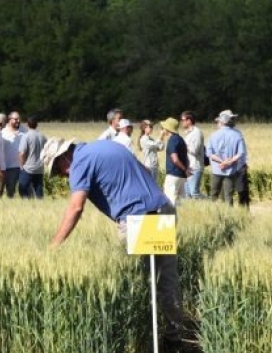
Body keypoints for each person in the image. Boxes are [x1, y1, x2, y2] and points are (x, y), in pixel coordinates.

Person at [48, 139, 186, 351]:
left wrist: (54, 245)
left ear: (63, 157)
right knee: (166, 277)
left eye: (58, 170)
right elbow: (146, 171)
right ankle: (174, 338)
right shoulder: (107, 146)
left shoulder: (79, 163)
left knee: (135, 281)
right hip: (162, 208)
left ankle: (142, 340)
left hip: (137, 219)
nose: (63, 175)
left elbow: (76, 208)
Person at [206, 110, 248, 206]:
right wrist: (228, 162)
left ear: (221, 122)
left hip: (217, 169)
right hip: (231, 170)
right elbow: (241, 153)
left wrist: (222, 162)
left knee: (214, 195)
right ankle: (229, 216)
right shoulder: (237, 135)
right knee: (229, 196)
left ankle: (213, 214)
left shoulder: (213, 135)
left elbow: (209, 153)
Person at [161, 117, 189, 205]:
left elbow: (175, 159)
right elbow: (185, 157)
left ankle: (171, 218)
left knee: (170, 200)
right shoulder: (181, 139)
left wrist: (185, 169)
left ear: (167, 129)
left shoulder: (172, 140)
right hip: (182, 176)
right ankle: (182, 217)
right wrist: (185, 169)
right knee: (180, 202)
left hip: (173, 175)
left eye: (164, 128)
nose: (163, 129)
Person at [18, 115, 47, 198]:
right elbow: (47, 151)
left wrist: (21, 165)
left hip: (28, 168)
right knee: (39, 189)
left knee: (22, 189)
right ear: (37, 125)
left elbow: (22, 153)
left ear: (27, 124)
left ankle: (26, 206)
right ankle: (40, 207)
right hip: (40, 168)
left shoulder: (26, 136)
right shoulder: (42, 136)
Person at [181, 111, 205, 199]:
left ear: (189, 121)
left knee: (194, 193)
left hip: (195, 166)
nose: (181, 122)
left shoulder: (197, 133)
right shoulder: (188, 133)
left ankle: (210, 204)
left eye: (183, 120)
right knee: (187, 194)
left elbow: (194, 150)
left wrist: (183, 146)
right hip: (188, 167)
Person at [0, 111, 25, 197]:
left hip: (23, 166)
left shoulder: (24, 131)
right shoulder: (3, 132)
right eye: (15, 119)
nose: (18, 121)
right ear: (10, 120)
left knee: (26, 190)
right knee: (10, 191)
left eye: (19, 119)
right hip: (9, 167)